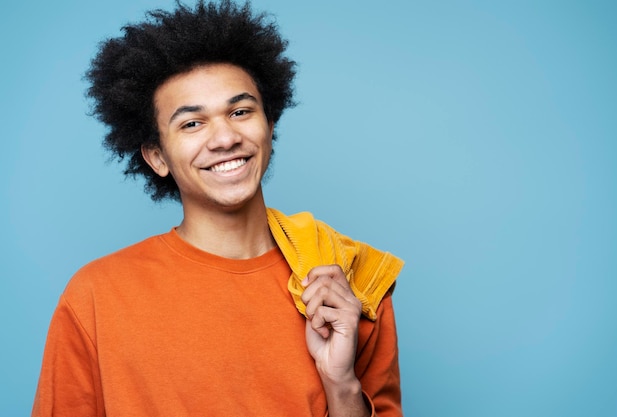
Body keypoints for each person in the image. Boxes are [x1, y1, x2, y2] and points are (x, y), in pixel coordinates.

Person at [32, 1, 404, 416]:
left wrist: (341, 384)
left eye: (241, 111)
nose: (225, 137)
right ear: (156, 156)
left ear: (269, 126)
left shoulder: (348, 282)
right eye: (192, 123)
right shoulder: (96, 296)